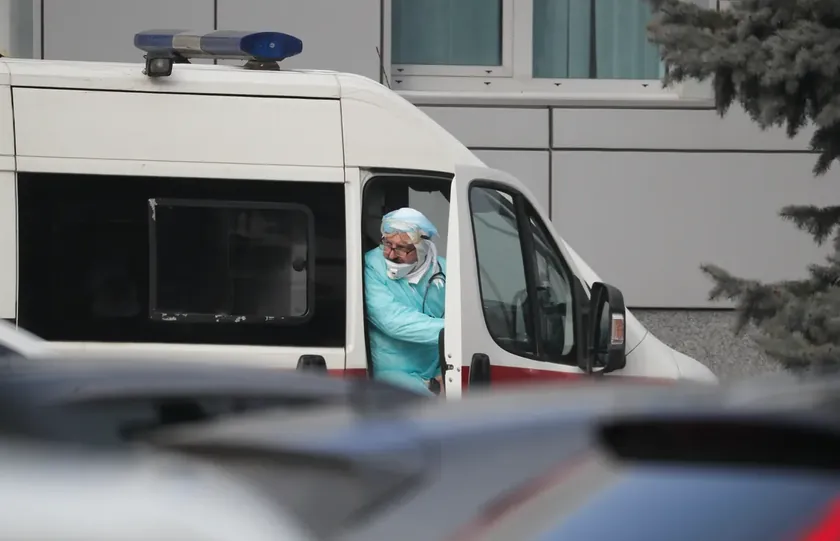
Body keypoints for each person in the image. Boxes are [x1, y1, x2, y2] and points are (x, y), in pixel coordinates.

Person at [364, 208, 446, 395]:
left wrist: (442, 373)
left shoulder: (444, 270)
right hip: (391, 376)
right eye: (387, 244)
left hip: (437, 376)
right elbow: (393, 321)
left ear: (422, 248)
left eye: (401, 248)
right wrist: (455, 333)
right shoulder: (371, 265)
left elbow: (460, 312)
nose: (391, 254)